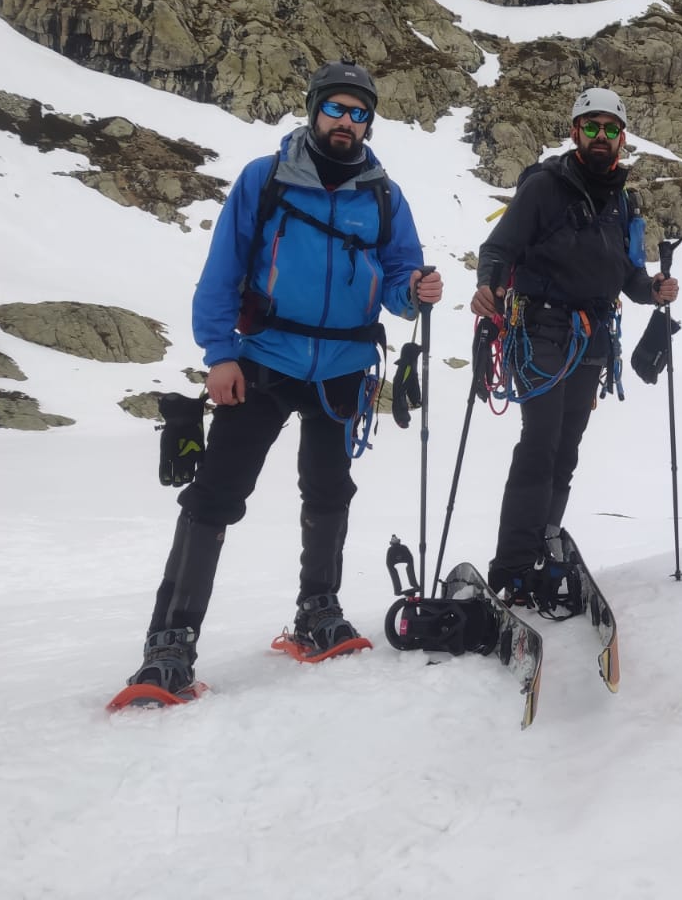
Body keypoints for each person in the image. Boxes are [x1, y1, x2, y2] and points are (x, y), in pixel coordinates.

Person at [116, 60, 443, 705]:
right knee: (215, 495)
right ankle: (168, 646)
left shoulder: (383, 194)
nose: (348, 122)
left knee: (329, 491)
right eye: (337, 109)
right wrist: (219, 354)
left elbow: (400, 272)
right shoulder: (264, 181)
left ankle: (317, 613)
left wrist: (415, 290)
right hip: (265, 360)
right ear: (314, 109)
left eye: (359, 113)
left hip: (345, 367)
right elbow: (223, 270)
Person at [473, 87, 679, 610]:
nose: (602, 136)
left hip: (592, 337)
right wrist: (490, 288)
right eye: (592, 126)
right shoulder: (545, 186)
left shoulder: (623, 200)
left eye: (611, 129)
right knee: (540, 446)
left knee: (565, 450)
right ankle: (513, 565)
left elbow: (627, 272)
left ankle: (542, 543)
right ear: (575, 132)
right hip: (540, 329)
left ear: (623, 138)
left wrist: (651, 289)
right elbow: (499, 247)